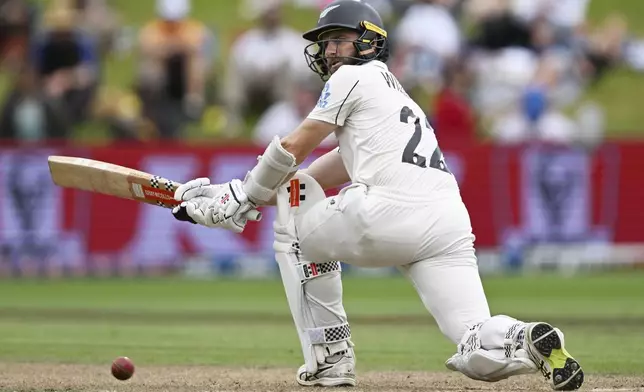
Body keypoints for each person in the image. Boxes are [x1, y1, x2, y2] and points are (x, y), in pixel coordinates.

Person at [170, 1, 584, 390]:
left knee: (294, 226)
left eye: (338, 39)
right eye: (325, 42)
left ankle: (330, 358)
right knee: (473, 339)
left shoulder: (353, 76)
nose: (329, 51)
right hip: (447, 223)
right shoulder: (397, 97)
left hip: (386, 212)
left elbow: (294, 147)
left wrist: (240, 196)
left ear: (369, 41)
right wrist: (244, 195)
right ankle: (525, 336)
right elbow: (317, 172)